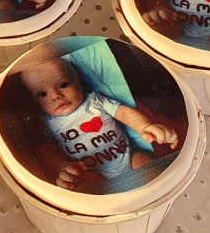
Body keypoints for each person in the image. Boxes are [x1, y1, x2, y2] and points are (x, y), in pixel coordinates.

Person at [20, 52, 178, 191]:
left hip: (127, 158)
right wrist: (63, 168)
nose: (56, 96)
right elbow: (45, 150)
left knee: (146, 163)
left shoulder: (94, 101)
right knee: (83, 186)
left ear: (79, 83)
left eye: (63, 85)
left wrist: (144, 126)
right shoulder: (47, 122)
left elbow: (122, 112)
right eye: (42, 94)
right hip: (91, 173)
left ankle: (157, 193)